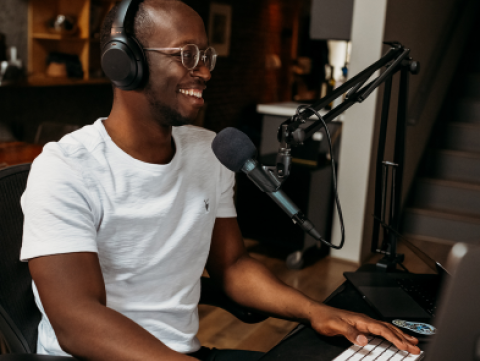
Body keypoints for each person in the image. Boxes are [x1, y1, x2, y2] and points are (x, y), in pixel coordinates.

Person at [20, 1, 421, 360]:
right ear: (125, 63)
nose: (206, 71)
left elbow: (232, 266)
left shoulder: (208, 152)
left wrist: (316, 309)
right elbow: (76, 321)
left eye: (206, 54)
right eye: (188, 55)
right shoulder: (65, 168)